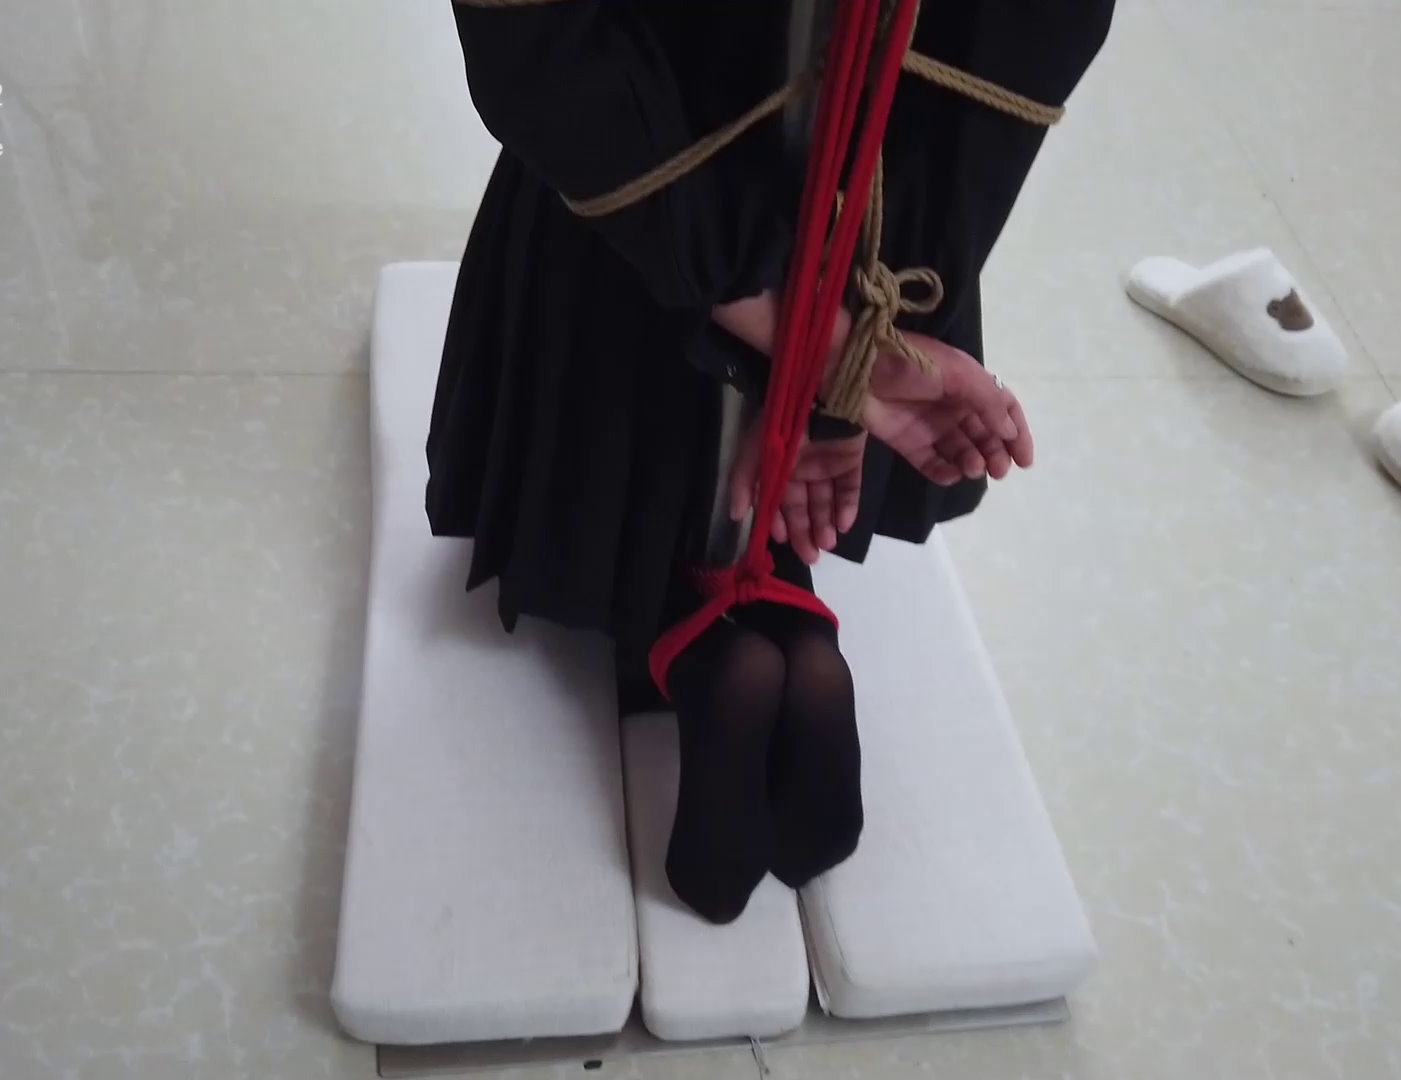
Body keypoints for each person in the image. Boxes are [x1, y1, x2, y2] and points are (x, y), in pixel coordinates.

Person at [428, 0, 1116, 923]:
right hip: (897, 170)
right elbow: (1018, 39)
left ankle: (691, 645)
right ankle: (776, 599)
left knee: (667, 98)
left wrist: (808, 346)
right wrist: (850, 352)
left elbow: (542, 40)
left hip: (642, 159)